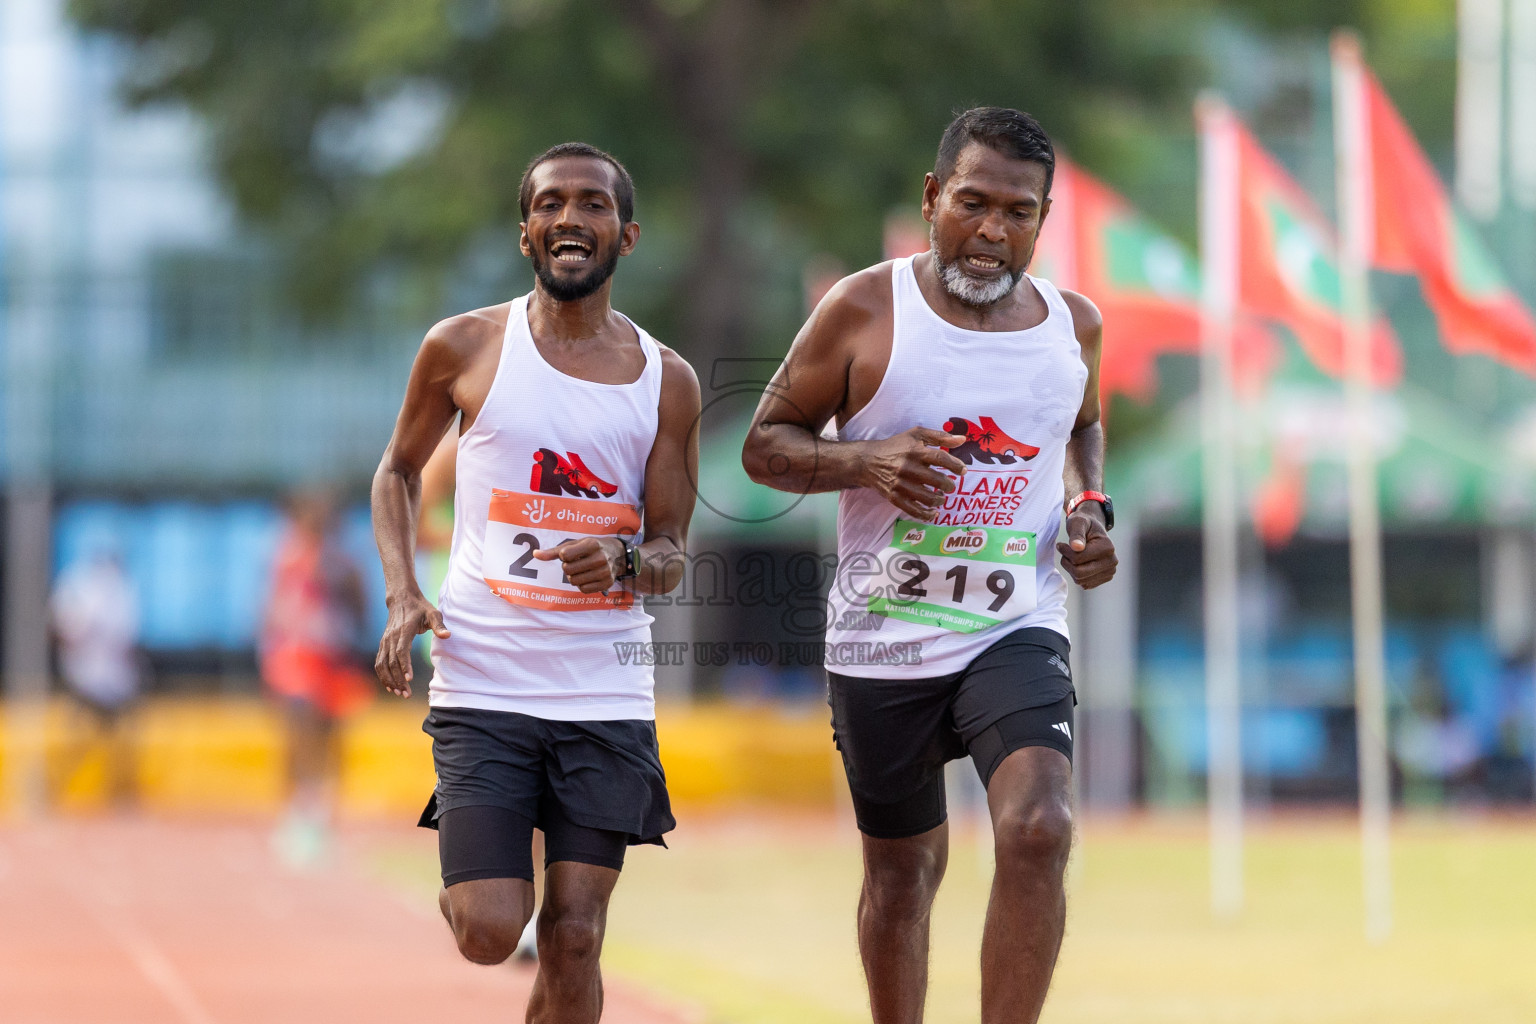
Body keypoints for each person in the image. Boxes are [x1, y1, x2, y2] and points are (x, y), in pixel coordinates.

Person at [742, 107, 1118, 1024]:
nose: (992, 232)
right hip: (881, 641)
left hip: (1013, 620)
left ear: (1044, 218)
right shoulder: (868, 307)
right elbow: (764, 447)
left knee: (1041, 827)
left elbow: (1082, 424)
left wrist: (1089, 506)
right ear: (931, 197)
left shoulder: (1074, 325)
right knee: (903, 876)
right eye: (973, 203)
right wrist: (865, 461)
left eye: (1019, 212)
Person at [372, 142, 700, 1020]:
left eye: (592, 205)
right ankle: (477, 871)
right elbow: (397, 474)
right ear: (525, 233)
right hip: (487, 676)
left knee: (577, 934)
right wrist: (405, 593)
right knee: (490, 928)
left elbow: (671, 550)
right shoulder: (465, 346)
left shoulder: (667, 381)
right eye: (550, 204)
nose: (569, 218)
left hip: (604, 685)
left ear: (625, 236)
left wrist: (627, 561)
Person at [260, 491, 373, 866]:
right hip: (297, 657)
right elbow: (272, 609)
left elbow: (360, 608)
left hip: (334, 657)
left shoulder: (344, 561)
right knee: (299, 734)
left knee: (331, 738)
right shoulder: (286, 556)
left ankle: (323, 815)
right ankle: (297, 811)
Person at [50, 546, 142, 806]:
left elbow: (126, 641)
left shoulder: (120, 591)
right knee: (79, 742)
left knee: (122, 740)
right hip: (86, 679)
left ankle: (121, 793)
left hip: (114, 682)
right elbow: (66, 632)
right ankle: (51, 786)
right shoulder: (81, 587)